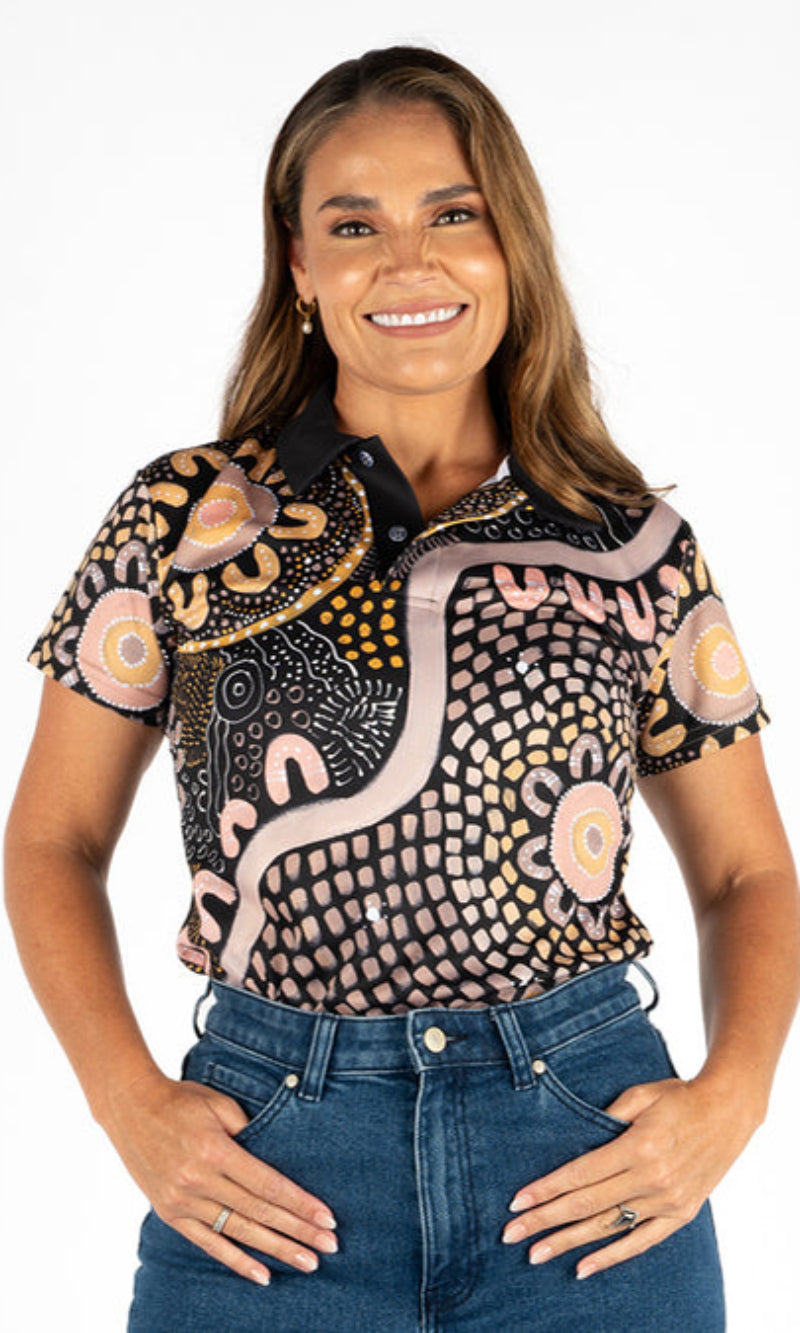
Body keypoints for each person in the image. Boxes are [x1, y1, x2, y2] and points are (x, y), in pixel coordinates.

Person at [4, 44, 799, 1332]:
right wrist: (124, 1099)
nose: (408, 263)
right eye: (354, 225)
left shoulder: (632, 543)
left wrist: (736, 1097)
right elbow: (53, 838)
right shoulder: (186, 517)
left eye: (453, 215)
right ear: (300, 265)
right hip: (268, 1165)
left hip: (586, 1157)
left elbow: (748, 871)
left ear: (511, 246)